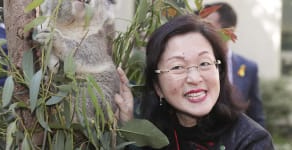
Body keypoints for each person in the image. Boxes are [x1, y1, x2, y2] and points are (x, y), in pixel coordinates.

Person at [114, 14, 274, 149]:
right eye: (177, 67)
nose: (194, 78)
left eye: (204, 63)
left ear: (219, 70)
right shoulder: (153, 137)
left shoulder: (250, 141)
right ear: (158, 87)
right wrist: (127, 125)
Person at [204, 2, 266, 127]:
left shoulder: (248, 67)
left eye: (208, 25)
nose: (202, 31)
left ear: (228, 31)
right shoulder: (194, 65)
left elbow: (256, 116)